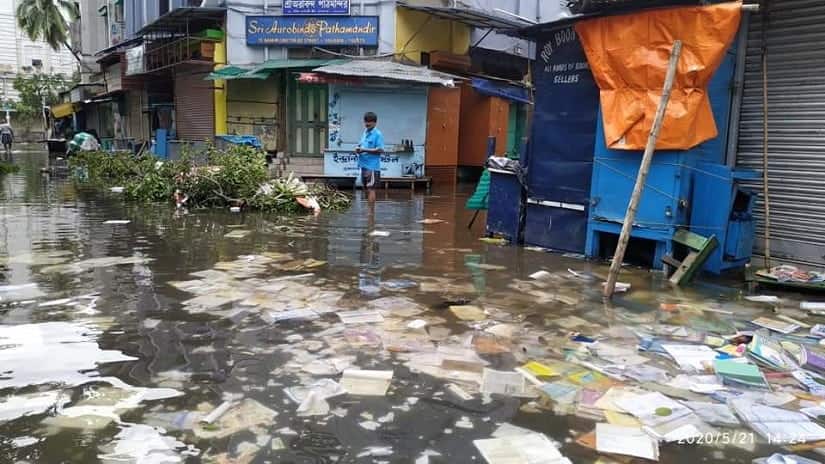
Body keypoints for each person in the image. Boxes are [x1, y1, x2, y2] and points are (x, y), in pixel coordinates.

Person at [355, 112, 384, 195]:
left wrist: (364, 150)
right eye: (365, 121)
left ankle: (371, 209)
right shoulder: (365, 133)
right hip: (363, 165)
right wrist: (358, 149)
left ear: (375, 123)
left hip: (372, 167)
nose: (367, 124)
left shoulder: (378, 134)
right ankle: (368, 208)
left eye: (369, 122)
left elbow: (380, 150)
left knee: (371, 189)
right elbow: (361, 144)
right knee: (366, 189)